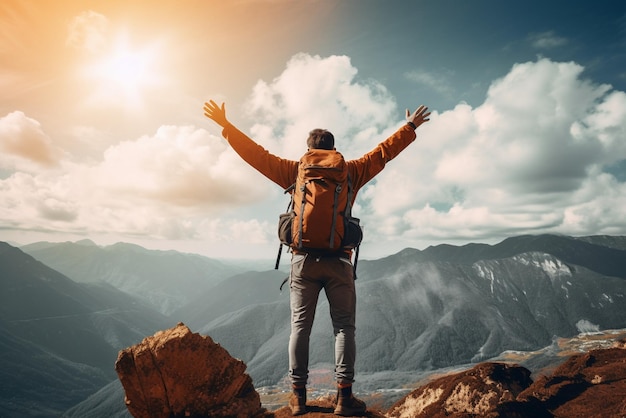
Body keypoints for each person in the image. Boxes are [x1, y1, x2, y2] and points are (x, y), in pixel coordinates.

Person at [203, 100, 430, 416]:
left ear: (309, 149)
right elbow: (384, 153)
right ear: (334, 148)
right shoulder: (350, 171)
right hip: (339, 262)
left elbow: (256, 156)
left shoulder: (295, 172)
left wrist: (226, 126)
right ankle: (344, 398)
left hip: (303, 262)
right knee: (344, 329)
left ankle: (297, 399)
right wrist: (410, 126)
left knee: (300, 329)